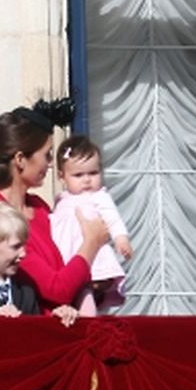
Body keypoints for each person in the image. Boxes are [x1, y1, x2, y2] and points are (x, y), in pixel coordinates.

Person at [0, 100, 108, 313]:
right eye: (47, 155)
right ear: (20, 159)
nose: (51, 163)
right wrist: (92, 242)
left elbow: (68, 265)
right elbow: (57, 289)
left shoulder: (39, 207)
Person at [49, 135, 132, 316]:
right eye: (78, 175)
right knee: (70, 292)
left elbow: (112, 218)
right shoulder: (61, 199)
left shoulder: (99, 197)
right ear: (62, 177)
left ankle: (89, 317)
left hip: (93, 259)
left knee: (86, 290)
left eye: (93, 173)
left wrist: (121, 239)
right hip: (66, 255)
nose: (87, 180)